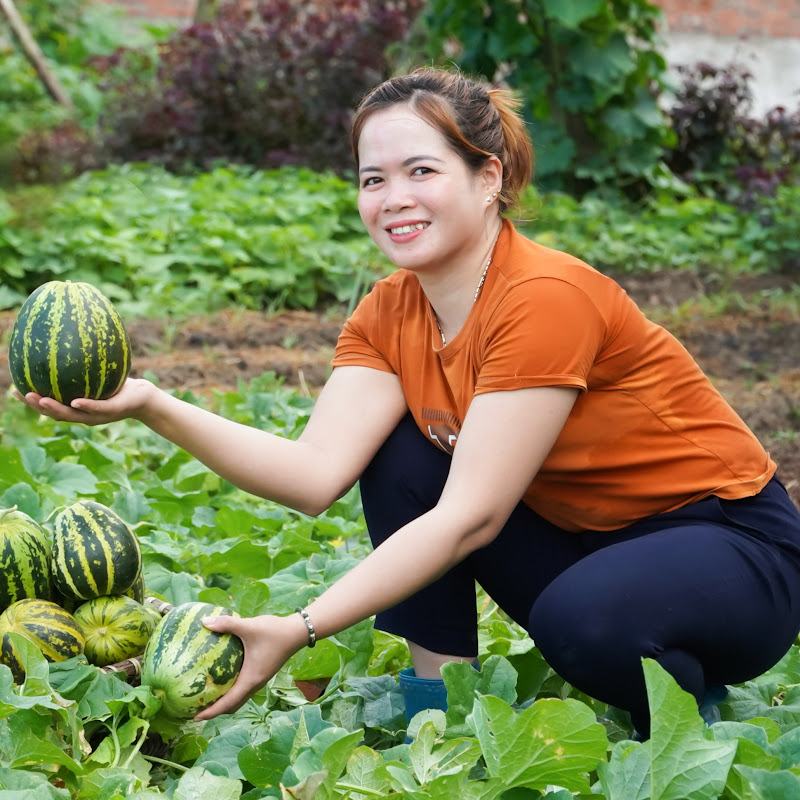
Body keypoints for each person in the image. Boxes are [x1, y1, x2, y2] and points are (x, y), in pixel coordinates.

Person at [15, 67, 800, 739]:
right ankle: (442, 707)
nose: (394, 198)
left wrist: (298, 628)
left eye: (421, 171)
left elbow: (474, 518)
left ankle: (691, 713)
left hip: (730, 549)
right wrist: (152, 404)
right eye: (373, 178)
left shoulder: (546, 296)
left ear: (489, 177)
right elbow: (313, 474)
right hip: (585, 539)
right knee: (400, 454)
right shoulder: (391, 311)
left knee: (582, 619)